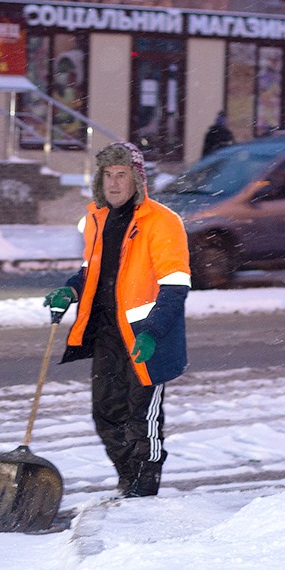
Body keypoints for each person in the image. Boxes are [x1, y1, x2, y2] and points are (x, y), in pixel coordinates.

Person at [43, 142, 191, 498]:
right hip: (108, 334)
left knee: (143, 419)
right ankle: (128, 479)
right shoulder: (97, 218)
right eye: (107, 175)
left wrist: (153, 331)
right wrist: (70, 291)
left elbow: (175, 285)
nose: (113, 183)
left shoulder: (162, 222)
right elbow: (92, 270)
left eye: (121, 174)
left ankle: (144, 488)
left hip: (145, 337)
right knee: (106, 413)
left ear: (136, 179)